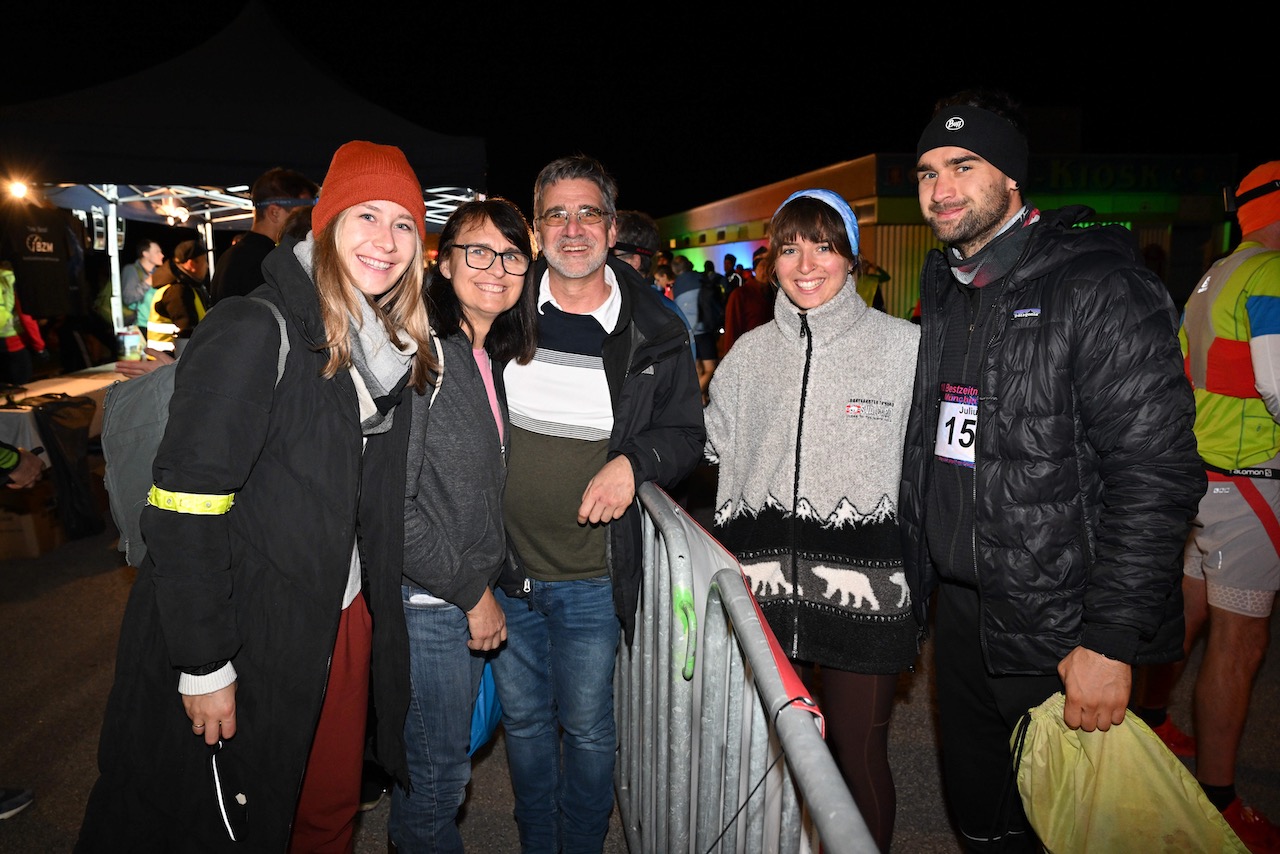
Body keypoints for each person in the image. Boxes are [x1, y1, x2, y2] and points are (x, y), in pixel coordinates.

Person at [75, 140, 436, 853]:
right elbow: (183, 508)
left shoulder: (386, 350)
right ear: (326, 224)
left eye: (404, 224)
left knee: (325, 812)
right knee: (229, 822)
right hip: (248, 626)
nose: (386, 241)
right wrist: (204, 661)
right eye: (366, 214)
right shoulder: (253, 328)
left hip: (339, 615)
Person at [898, 89, 1205, 853]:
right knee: (983, 823)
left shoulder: (1098, 285)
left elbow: (1157, 474)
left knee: (1068, 831)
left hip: (1063, 625)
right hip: (964, 621)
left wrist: (1110, 640)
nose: (941, 188)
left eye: (963, 166)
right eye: (928, 170)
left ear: (1011, 177)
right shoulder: (943, 286)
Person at [493, 154, 704, 853]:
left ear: (614, 230)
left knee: (586, 729)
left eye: (588, 213)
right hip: (508, 572)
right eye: (556, 213)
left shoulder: (658, 326)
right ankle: (537, 842)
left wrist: (632, 461)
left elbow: (684, 434)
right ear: (536, 229)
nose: (572, 228)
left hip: (591, 576)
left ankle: (581, 844)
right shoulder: (499, 311)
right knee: (523, 727)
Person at [704, 189, 920, 852]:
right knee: (770, 765)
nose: (806, 262)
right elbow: (713, 447)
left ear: (851, 257)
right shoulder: (748, 356)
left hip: (871, 592)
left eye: (823, 244)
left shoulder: (906, 349)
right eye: (791, 245)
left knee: (857, 760)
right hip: (764, 592)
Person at [1131, 160, 1280, 852]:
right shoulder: (1271, 275)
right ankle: (1219, 799)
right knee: (1239, 643)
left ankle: (1152, 722)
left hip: (1203, 475)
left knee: (1186, 618)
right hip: (1250, 479)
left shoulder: (1216, 272)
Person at [388, 197, 538, 852]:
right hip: (430, 601)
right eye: (478, 250)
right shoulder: (425, 357)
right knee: (437, 783)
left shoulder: (486, 358)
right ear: (443, 264)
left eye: (511, 255)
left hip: (458, 591)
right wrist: (472, 595)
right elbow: (394, 504)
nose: (497, 267)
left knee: (443, 768)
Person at [209, 167, 318, 305]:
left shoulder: (233, 255)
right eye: (304, 211)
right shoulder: (266, 262)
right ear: (274, 212)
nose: (310, 220)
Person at [145, 238, 212, 357]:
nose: (207, 266)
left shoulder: (181, 286)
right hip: (171, 362)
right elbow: (187, 332)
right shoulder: (177, 291)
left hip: (168, 361)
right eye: (204, 260)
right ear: (191, 264)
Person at [671, 255, 717, 402]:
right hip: (704, 329)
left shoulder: (676, 284)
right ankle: (696, 397)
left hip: (687, 331)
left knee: (697, 369)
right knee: (710, 368)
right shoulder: (701, 277)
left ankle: (701, 398)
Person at [719, 244, 774, 357]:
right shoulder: (740, 295)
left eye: (770, 266)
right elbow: (732, 331)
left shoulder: (776, 294)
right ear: (754, 269)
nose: (766, 271)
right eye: (763, 266)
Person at [1, 264, 45, 386]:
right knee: (20, 387)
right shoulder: (15, 280)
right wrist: (39, 346)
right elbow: (26, 317)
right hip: (13, 340)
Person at [117, 238, 164, 335]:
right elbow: (128, 298)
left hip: (157, 326)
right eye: (157, 252)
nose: (162, 255)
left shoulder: (159, 273)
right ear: (145, 254)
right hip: (139, 328)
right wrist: (148, 282)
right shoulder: (131, 270)